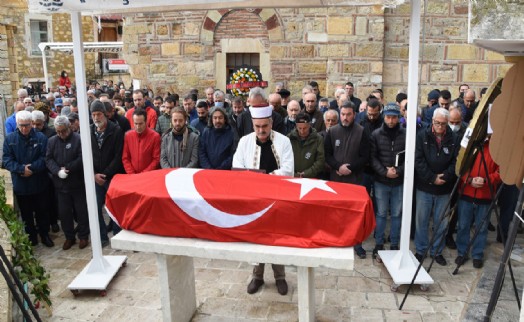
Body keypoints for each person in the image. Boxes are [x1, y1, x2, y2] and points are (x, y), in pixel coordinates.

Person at [232, 90, 294, 296]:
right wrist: (254, 180)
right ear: (252, 125)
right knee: (256, 238)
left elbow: (288, 170)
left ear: (271, 124)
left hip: (277, 199)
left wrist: (264, 178)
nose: (261, 130)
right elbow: (237, 167)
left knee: (276, 239)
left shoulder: (284, 142)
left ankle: (280, 277)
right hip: (254, 200)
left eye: (265, 126)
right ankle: (257, 276)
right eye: (257, 127)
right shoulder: (244, 142)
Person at [324, 100, 370, 259]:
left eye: (348, 114)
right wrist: (338, 167)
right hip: (336, 179)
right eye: (343, 114)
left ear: (354, 115)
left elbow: (365, 156)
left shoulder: (362, 131)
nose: (345, 117)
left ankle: (357, 243)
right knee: (336, 212)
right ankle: (337, 240)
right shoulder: (332, 132)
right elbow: (327, 155)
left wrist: (350, 168)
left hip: (355, 180)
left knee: (355, 214)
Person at [414, 108, 459, 266]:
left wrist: (445, 177)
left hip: (444, 188)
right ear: (432, 120)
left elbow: (456, 161)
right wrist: (432, 178)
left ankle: (436, 251)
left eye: (443, 124)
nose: (439, 126)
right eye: (437, 123)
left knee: (441, 222)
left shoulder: (454, 138)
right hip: (425, 186)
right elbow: (418, 160)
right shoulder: (422, 135)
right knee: (422, 221)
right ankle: (420, 250)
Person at [2, 110, 54, 247]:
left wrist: (32, 168)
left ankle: (44, 235)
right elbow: (6, 160)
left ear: (31, 124)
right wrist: (21, 169)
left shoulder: (41, 138)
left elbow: (45, 158)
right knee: (26, 214)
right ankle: (31, 237)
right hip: (22, 185)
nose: (24, 128)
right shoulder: (10, 139)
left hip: (39, 182)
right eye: (21, 125)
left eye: (26, 125)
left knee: (42, 211)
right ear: (17, 124)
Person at [455, 135, 500, 269]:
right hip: (467, 191)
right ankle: (462, 252)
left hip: (486, 194)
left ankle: (477, 254)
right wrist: (469, 179)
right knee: (463, 225)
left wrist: (486, 180)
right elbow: (460, 164)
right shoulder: (471, 143)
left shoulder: (497, 147)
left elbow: (500, 171)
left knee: (482, 227)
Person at [46, 116, 89, 250]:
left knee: (81, 211)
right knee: (64, 214)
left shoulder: (78, 139)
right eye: (58, 131)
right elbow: (48, 159)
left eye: (63, 131)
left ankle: (83, 236)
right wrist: (57, 171)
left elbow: (82, 157)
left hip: (77, 183)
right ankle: (69, 237)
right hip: (61, 185)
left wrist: (68, 168)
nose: (61, 134)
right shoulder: (52, 141)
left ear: (69, 128)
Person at [370, 104, 406, 257]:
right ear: (384, 117)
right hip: (381, 181)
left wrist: (398, 171)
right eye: (388, 117)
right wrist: (385, 172)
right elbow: (372, 157)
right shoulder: (376, 134)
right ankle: (379, 242)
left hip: (398, 181)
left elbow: (410, 157)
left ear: (398, 118)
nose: (391, 120)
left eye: (394, 117)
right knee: (381, 213)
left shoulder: (405, 134)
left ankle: (394, 243)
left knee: (397, 214)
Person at [90, 100, 124, 247]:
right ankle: (102, 237)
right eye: (93, 115)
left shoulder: (115, 130)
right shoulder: (89, 131)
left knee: (114, 207)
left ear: (104, 114)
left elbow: (118, 156)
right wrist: (94, 174)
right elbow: (85, 154)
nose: (96, 118)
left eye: (98, 114)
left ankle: (117, 235)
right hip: (95, 177)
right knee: (95, 207)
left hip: (111, 177)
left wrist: (105, 174)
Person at [122, 109, 161, 174]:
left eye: (140, 124)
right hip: (132, 175)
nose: (138, 127)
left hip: (148, 175)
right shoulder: (128, 135)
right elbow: (125, 157)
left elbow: (156, 159)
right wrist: (131, 173)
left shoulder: (155, 136)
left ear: (146, 122)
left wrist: (143, 174)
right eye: (136, 123)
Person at [287, 113, 324, 179]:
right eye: (300, 128)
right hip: (292, 177)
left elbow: (320, 161)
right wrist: (294, 174)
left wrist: (307, 173)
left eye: (305, 128)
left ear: (309, 125)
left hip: (312, 178)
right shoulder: (289, 138)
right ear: (296, 126)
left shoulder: (318, 139)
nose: (302, 131)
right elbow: (285, 159)